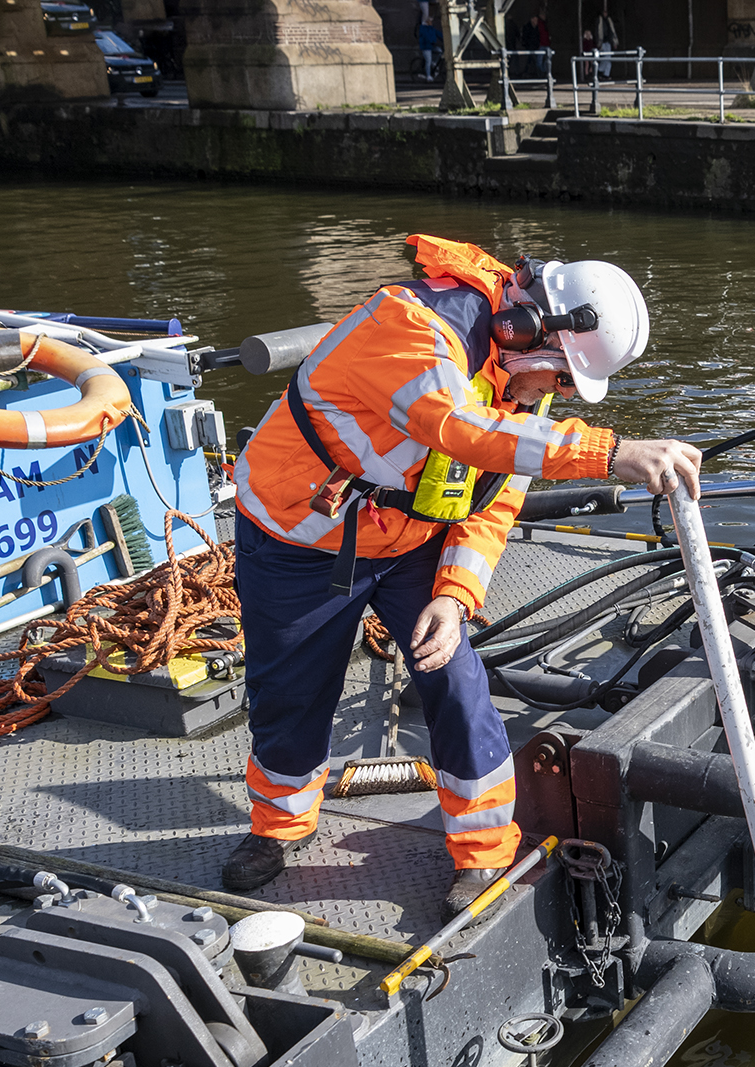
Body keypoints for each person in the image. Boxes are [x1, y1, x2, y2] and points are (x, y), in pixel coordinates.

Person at [223, 236, 703, 912]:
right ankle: (279, 826)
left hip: (409, 540)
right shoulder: (410, 326)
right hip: (298, 536)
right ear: (527, 329)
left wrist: (454, 595)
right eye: (563, 378)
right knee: (291, 690)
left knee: (455, 678)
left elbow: (493, 497)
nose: (556, 394)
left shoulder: (515, 383)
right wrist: (610, 451)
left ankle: (483, 854)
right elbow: (458, 427)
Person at [417, 0, 441, 82]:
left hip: (431, 46)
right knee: (428, 60)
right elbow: (426, 36)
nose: (431, 21)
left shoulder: (431, 28)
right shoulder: (423, 28)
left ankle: (434, 64)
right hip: (426, 47)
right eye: (430, 20)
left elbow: (438, 34)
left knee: (439, 51)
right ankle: (428, 75)